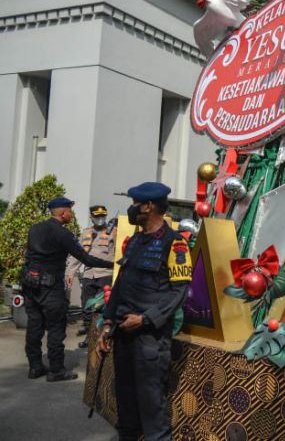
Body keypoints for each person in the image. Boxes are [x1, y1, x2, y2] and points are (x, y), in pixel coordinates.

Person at [96, 182, 192, 441]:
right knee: (126, 404)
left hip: (150, 339)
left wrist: (145, 318)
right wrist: (107, 322)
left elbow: (178, 294)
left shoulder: (175, 245)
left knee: (151, 408)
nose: (132, 208)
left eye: (136, 203)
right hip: (123, 334)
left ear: (148, 206)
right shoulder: (136, 239)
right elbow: (121, 284)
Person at [22, 197, 114, 381]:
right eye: (70, 211)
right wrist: (112, 264)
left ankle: (35, 367)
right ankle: (56, 370)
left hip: (30, 284)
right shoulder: (63, 234)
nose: (71, 214)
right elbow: (86, 258)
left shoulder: (35, 228)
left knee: (34, 327)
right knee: (56, 328)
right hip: (50, 288)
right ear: (63, 213)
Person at [66, 205, 116, 348]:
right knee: (87, 307)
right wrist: (70, 272)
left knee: (102, 308)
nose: (100, 219)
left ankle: (103, 336)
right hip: (89, 275)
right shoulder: (86, 233)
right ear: (91, 217)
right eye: (97, 216)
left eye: (103, 216)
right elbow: (78, 254)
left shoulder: (113, 232)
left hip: (106, 275)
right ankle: (90, 336)